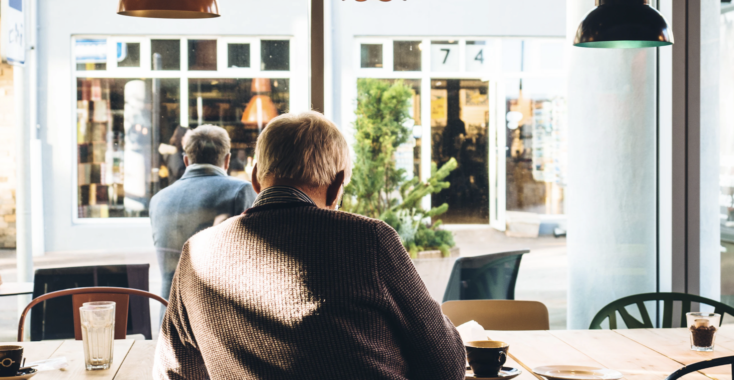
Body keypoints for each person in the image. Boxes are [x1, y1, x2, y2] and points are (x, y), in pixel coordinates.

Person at [153, 111, 466, 380]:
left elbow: (176, 371)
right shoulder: (369, 241)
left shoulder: (196, 254)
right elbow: (447, 366)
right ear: (336, 186)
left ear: (255, 179)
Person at [149, 124, 257, 303]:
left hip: (169, 318)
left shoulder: (158, 199)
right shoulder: (240, 191)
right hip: (218, 318)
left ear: (186, 161)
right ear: (228, 160)